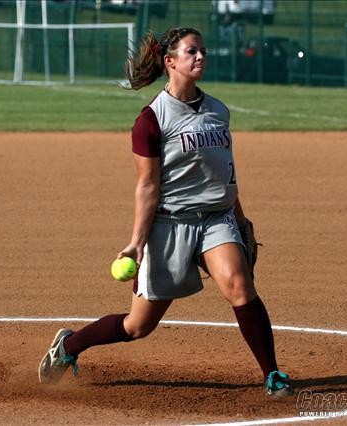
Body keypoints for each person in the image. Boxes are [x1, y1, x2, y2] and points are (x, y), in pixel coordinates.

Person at [38, 27, 293, 399]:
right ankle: (70, 344)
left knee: (240, 287)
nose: (201, 56)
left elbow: (222, 174)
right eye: (192, 51)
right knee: (137, 326)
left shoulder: (218, 110)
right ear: (170, 61)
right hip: (170, 224)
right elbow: (147, 185)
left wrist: (240, 220)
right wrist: (136, 243)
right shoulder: (152, 120)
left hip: (215, 219)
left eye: (203, 50)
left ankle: (272, 374)